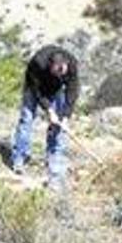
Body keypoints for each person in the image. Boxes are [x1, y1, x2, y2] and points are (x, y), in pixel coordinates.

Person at [10, 45, 80, 191]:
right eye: (57, 70)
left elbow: (72, 91)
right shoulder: (38, 63)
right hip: (34, 88)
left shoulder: (72, 64)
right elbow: (37, 91)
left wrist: (65, 116)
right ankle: (19, 159)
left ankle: (54, 164)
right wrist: (49, 110)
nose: (61, 73)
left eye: (63, 71)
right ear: (50, 66)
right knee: (27, 120)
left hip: (55, 90)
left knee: (58, 127)